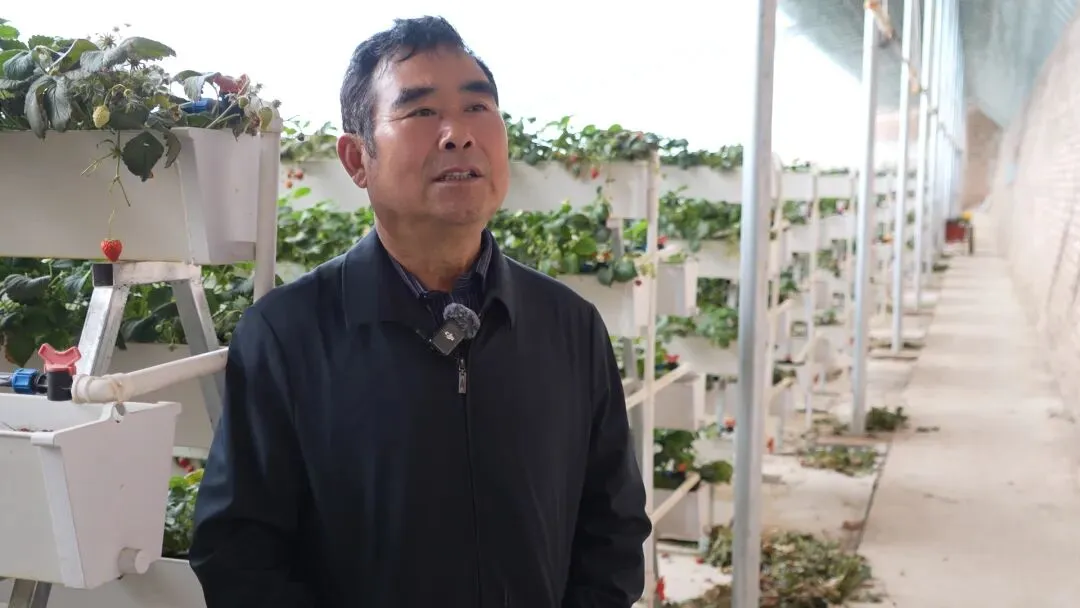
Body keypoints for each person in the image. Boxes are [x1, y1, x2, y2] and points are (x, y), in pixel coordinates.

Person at [188, 15, 651, 608]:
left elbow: (612, 528)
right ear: (357, 159)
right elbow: (239, 553)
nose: (458, 134)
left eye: (478, 107)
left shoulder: (569, 326)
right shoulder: (288, 333)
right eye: (422, 111)